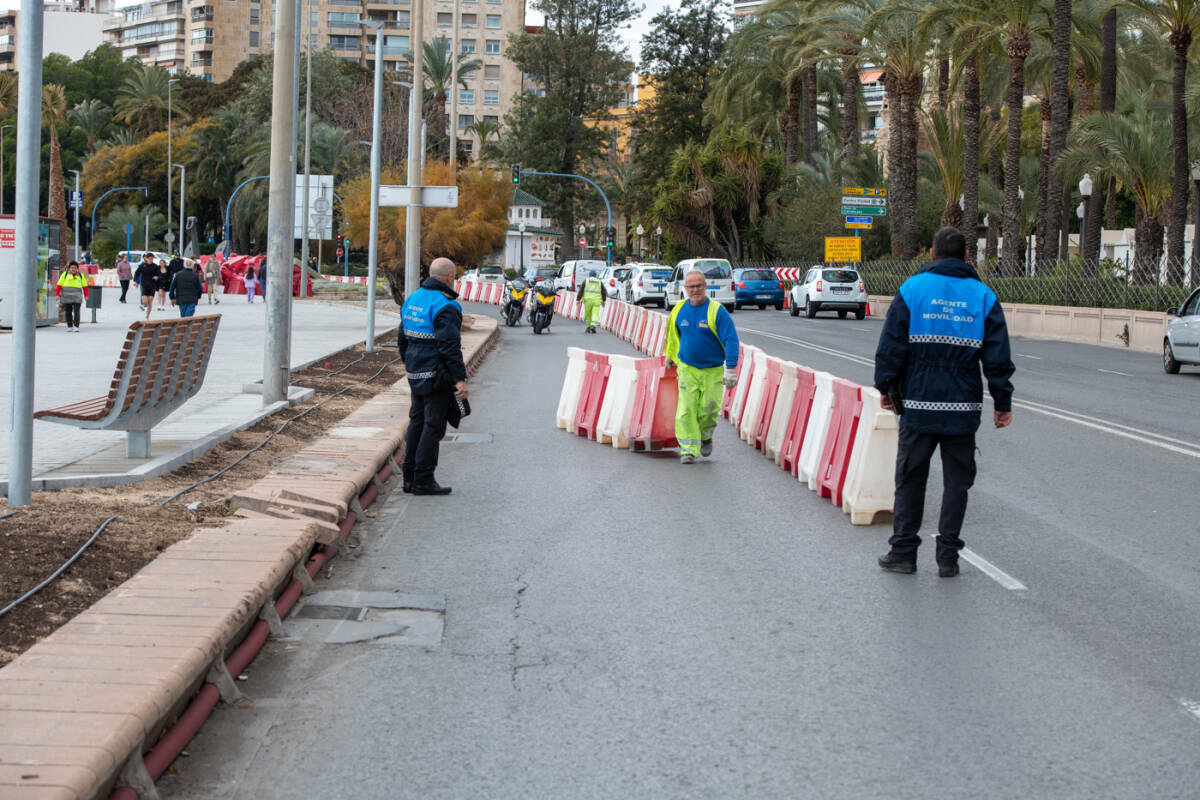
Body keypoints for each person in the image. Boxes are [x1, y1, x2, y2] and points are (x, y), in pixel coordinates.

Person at [874, 226, 1016, 578]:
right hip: (962, 410)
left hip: (918, 405)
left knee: (910, 478)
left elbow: (891, 347)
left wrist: (885, 388)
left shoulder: (912, 290)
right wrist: (1002, 402)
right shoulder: (983, 297)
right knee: (957, 483)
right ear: (967, 257)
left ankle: (903, 552)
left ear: (932, 255)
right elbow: (997, 357)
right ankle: (948, 557)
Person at [398, 257, 469, 496]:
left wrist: (410, 363)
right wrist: (459, 379)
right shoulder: (445, 305)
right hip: (436, 374)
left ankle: (409, 478)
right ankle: (424, 479)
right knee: (433, 425)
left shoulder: (412, 299)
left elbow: (402, 338)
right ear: (450, 277)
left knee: (417, 421)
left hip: (414, 370)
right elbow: (450, 347)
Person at [664, 269, 739, 464]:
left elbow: (731, 340)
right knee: (686, 409)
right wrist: (670, 356)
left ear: (705, 286)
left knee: (709, 408)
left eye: (699, 286)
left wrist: (731, 369)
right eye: (691, 286)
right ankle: (688, 450)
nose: (695, 290)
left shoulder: (717, 311)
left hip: (713, 370)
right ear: (685, 288)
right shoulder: (679, 310)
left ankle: (706, 435)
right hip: (687, 369)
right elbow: (672, 335)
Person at [55, 260, 89, 332]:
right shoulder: (64, 275)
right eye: (72, 268)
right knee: (68, 312)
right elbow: (59, 285)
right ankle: (69, 326)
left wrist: (86, 295)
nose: (73, 269)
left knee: (77, 311)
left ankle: (76, 326)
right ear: (69, 268)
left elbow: (85, 287)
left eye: (75, 268)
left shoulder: (80, 276)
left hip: (77, 297)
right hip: (67, 296)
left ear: (77, 269)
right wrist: (57, 294)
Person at [576, 269, 606, 333]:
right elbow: (603, 291)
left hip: (587, 301)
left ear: (589, 275)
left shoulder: (586, 281)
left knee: (588, 314)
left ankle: (588, 327)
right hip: (596, 301)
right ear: (595, 275)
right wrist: (603, 300)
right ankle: (593, 325)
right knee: (595, 314)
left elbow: (581, 290)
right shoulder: (599, 282)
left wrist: (578, 299)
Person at [134, 253, 158, 318]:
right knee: (145, 301)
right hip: (144, 284)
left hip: (152, 285)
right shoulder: (143, 265)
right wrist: (135, 281)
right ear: (146, 259)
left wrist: (157, 277)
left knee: (150, 302)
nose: (151, 260)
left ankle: (147, 315)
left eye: (152, 259)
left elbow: (159, 274)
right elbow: (137, 272)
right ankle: (144, 306)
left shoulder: (155, 266)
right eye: (149, 259)